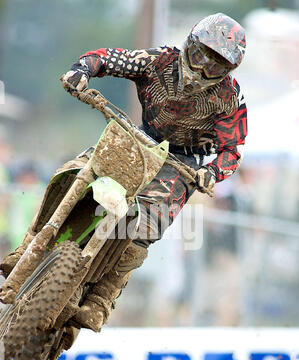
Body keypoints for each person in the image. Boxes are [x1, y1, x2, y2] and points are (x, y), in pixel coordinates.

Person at [1, 13, 248, 333]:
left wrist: (212, 173)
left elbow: (234, 149)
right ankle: (27, 247)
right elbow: (108, 58)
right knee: (72, 173)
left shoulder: (229, 96)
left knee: (146, 225)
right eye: (200, 55)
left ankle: (100, 300)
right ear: (189, 43)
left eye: (215, 65)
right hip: (138, 137)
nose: (202, 68)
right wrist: (81, 70)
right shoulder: (159, 60)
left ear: (227, 71)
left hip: (184, 162)